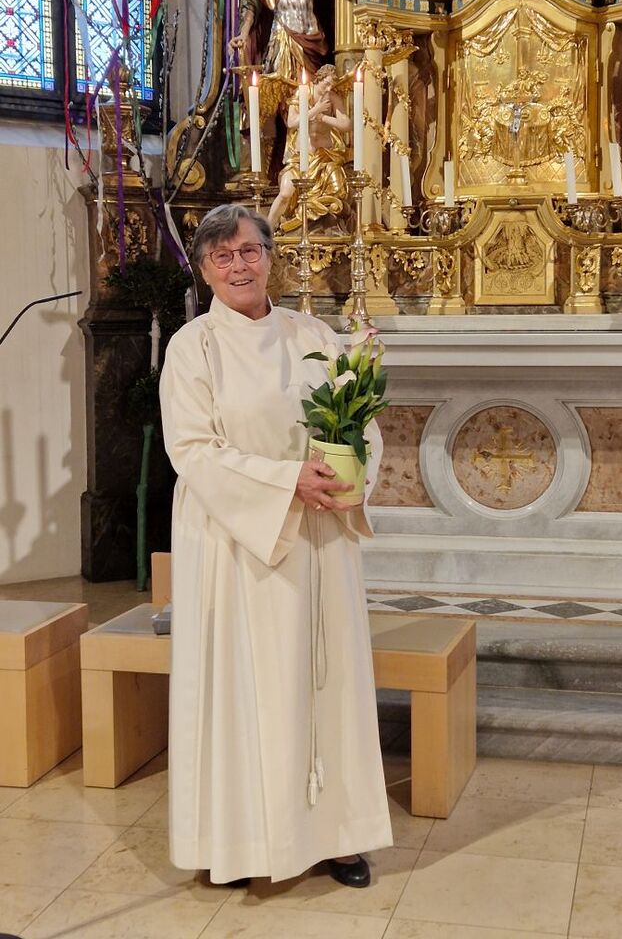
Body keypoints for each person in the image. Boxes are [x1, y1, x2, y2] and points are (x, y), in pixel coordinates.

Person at [159, 203, 392, 887]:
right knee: (244, 691)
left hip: (319, 539)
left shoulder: (312, 334)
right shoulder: (193, 348)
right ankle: (241, 845)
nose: (239, 266)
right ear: (205, 271)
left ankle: (338, 837)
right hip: (237, 543)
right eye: (222, 256)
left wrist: (348, 475)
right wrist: (286, 480)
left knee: (326, 682)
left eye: (249, 251)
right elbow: (192, 450)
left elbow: (360, 422)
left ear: (270, 259)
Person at [268, 64, 352, 231]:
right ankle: (267, 229)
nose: (329, 88)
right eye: (326, 84)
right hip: (301, 158)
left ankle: (326, 228)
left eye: (331, 85)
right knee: (285, 193)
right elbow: (291, 122)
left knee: (339, 191)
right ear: (318, 79)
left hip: (325, 158)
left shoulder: (333, 98)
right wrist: (315, 110)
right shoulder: (302, 94)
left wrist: (324, 118)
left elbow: (346, 124)